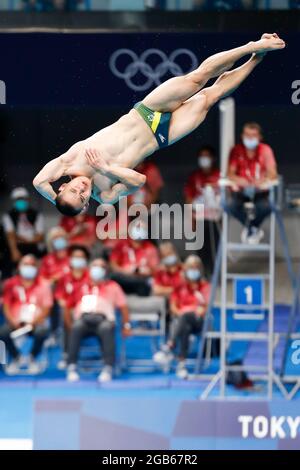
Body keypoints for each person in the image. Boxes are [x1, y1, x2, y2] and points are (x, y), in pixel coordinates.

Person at [33, 34, 285, 215]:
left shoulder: (68, 161)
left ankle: (253, 44)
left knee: (197, 78)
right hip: (162, 136)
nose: (81, 190)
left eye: (73, 190)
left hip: (146, 111)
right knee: (210, 97)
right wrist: (107, 167)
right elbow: (139, 180)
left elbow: (38, 182)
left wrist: (57, 200)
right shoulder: (105, 195)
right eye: (82, 197)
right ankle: (256, 58)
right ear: (88, 203)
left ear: (63, 185)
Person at [66, 258, 131, 383]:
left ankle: (108, 367)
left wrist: (126, 325)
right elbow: (68, 306)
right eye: (94, 266)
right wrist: (69, 323)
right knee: (76, 327)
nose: (97, 269)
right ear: (89, 270)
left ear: (105, 271)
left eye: (100, 266)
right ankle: (71, 367)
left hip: (104, 320)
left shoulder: (113, 286)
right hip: (84, 320)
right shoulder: (81, 286)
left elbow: (123, 307)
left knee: (106, 328)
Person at [153, 255, 211, 379]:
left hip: (200, 320)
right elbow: (173, 306)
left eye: (196, 268)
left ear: (200, 270)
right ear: (185, 269)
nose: (193, 270)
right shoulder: (179, 286)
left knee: (185, 319)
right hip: (183, 320)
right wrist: (182, 314)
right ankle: (182, 364)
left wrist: (197, 310)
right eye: (191, 267)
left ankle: (169, 346)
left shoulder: (205, 286)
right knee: (185, 327)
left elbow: (206, 306)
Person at [226, 121, 278, 244]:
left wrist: (261, 181)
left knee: (268, 206)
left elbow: (273, 173)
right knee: (229, 205)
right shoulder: (236, 150)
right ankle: (252, 228)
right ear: (242, 136)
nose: (250, 138)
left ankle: (250, 228)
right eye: (247, 135)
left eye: (253, 136)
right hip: (241, 192)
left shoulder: (265, 150)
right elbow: (230, 174)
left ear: (260, 137)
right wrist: (242, 181)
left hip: (260, 192)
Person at [0, 254, 53, 375]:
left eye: (32, 265)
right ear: (19, 267)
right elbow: (6, 306)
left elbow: (47, 308)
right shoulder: (10, 284)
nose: (29, 268)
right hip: (16, 321)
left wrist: (34, 322)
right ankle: (17, 357)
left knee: (42, 332)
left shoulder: (44, 284)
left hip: (36, 322)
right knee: (3, 332)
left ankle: (32, 357)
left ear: (36, 268)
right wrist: (12, 321)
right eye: (26, 265)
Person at [184, 145, 220, 275]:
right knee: (201, 248)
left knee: (215, 248)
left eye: (207, 156)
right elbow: (188, 199)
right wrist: (190, 221)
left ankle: (216, 274)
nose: (204, 159)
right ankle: (202, 275)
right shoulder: (195, 177)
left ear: (213, 158)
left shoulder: (219, 176)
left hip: (214, 219)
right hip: (199, 218)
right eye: (202, 156)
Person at [55, 245, 90, 369]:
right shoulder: (64, 278)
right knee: (65, 315)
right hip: (70, 311)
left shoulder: (91, 277)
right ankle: (67, 354)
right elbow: (59, 296)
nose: (78, 259)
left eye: (81, 257)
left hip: (87, 310)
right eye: (76, 257)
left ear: (86, 260)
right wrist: (64, 304)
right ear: (70, 259)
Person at [109, 222, 159, 296]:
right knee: (113, 278)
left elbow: (155, 269)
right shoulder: (121, 245)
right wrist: (123, 270)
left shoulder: (151, 248)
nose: (140, 230)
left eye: (143, 229)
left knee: (148, 283)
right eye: (138, 228)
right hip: (124, 277)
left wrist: (146, 271)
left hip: (141, 279)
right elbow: (113, 264)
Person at [2, 187, 45, 265]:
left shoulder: (36, 215)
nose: (20, 201)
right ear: (14, 201)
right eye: (18, 199)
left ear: (27, 199)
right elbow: (10, 235)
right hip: (18, 246)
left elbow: (40, 236)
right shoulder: (8, 216)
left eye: (22, 198)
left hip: (33, 246)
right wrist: (14, 250)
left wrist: (25, 240)